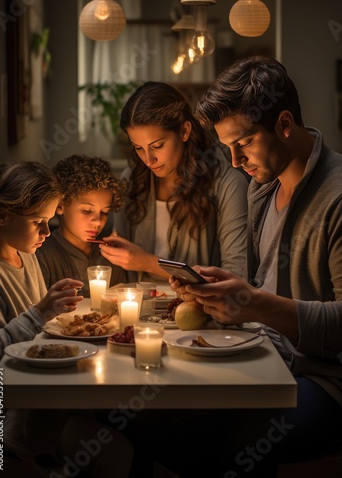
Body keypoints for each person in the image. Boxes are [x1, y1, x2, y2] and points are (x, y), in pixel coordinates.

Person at [159, 56, 342, 477]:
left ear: (283, 123)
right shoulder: (263, 188)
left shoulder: (335, 198)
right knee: (160, 417)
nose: (236, 161)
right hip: (268, 356)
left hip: (326, 380)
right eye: (226, 148)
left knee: (238, 442)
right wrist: (230, 287)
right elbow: (267, 286)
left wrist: (255, 304)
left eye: (243, 143)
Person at [0, 161, 133, 477]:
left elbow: (40, 335)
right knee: (115, 453)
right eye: (38, 222)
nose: (45, 232)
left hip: (40, 396)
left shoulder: (25, 253)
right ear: (2, 215)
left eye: (48, 221)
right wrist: (40, 312)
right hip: (3, 415)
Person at [99, 81, 249, 283]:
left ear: (184, 131)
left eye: (158, 145)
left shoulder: (227, 184)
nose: (148, 159)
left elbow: (237, 276)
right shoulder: (132, 179)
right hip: (139, 309)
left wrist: (147, 262)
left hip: (203, 310)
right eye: (138, 148)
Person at [36, 154, 128, 296]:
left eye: (104, 212)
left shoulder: (112, 256)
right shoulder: (43, 257)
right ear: (60, 205)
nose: (98, 221)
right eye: (87, 211)